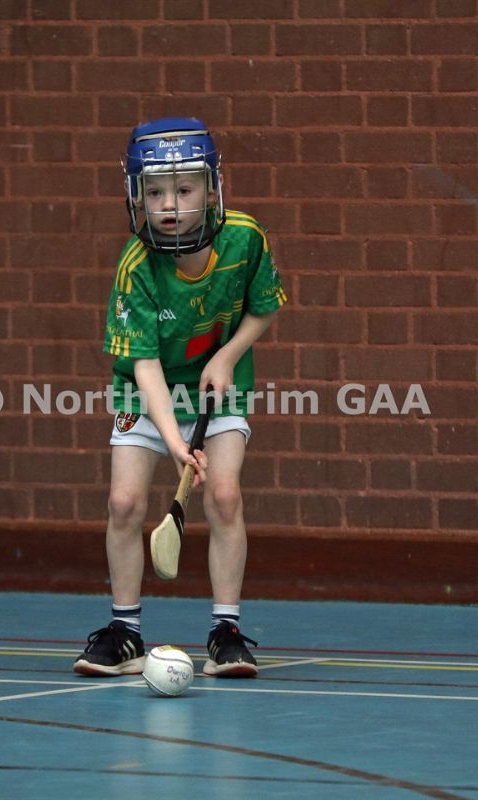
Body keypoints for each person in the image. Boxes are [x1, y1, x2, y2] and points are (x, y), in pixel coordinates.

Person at [73, 117, 287, 679]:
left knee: (224, 496)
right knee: (123, 503)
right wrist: (174, 441)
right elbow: (144, 367)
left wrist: (227, 354)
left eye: (185, 189)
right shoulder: (136, 266)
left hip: (220, 388)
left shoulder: (246, 238)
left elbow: (264, 308)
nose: (169, 205)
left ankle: (226, 632)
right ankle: (124, 633)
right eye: (155, 193)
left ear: (213, 190)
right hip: (147, 395)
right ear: (136, 196)